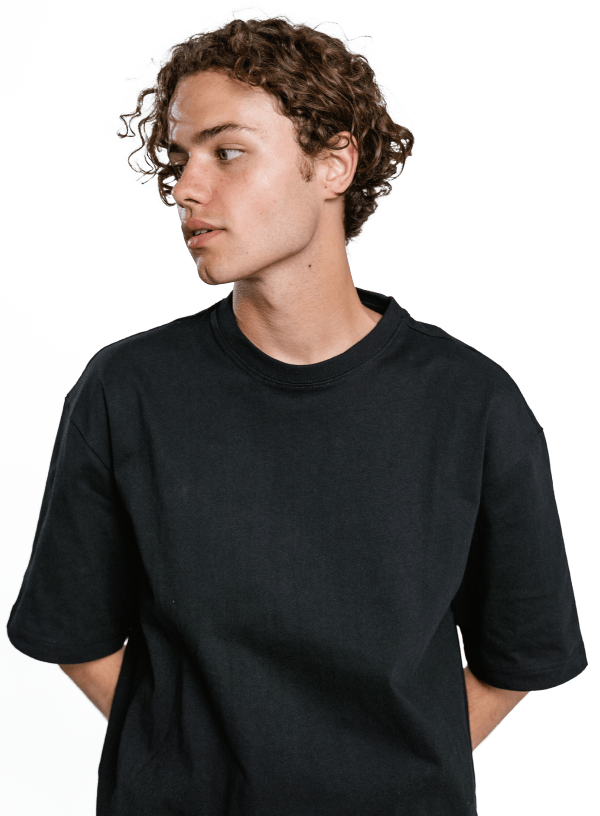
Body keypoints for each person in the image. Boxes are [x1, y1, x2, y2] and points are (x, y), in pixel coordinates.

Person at [6, 10, 587, 816]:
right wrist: (188, 766)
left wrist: (379, 777)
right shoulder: (126, 390)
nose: (185, 188)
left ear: (333, 163)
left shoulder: (472, 402)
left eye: (227, 151)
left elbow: (520, 652)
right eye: (178, 159)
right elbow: (75, 632)